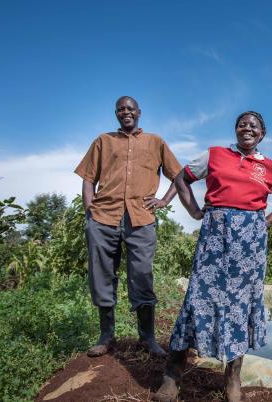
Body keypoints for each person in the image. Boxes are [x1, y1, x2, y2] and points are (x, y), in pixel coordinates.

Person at [153, 111, 272, 402]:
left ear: (262, 134)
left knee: (240, 305)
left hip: (250, 245)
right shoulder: (215, 155)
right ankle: (172, 376)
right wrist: (195, 212)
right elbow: (182, 178)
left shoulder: (269, 167)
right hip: (214, 237)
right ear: (236, 130)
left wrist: (265, 222)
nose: (247, 128)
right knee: (197, 297)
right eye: (242, 124)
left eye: (253, 126)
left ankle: (232, 379)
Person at [74, 96, 182, 358]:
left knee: (142, 275)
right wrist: (90, 212)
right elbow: (88, 179)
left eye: (130, 109)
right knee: (101, 276)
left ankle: (147, 338)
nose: (126, 112)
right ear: (116, 113)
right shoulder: (103, 141)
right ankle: (106, 336)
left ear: (139, 112)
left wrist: (164, 200)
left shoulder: (155, 142)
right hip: (103, 218)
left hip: (141, 219)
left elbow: (179, 176)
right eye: (121, 109)